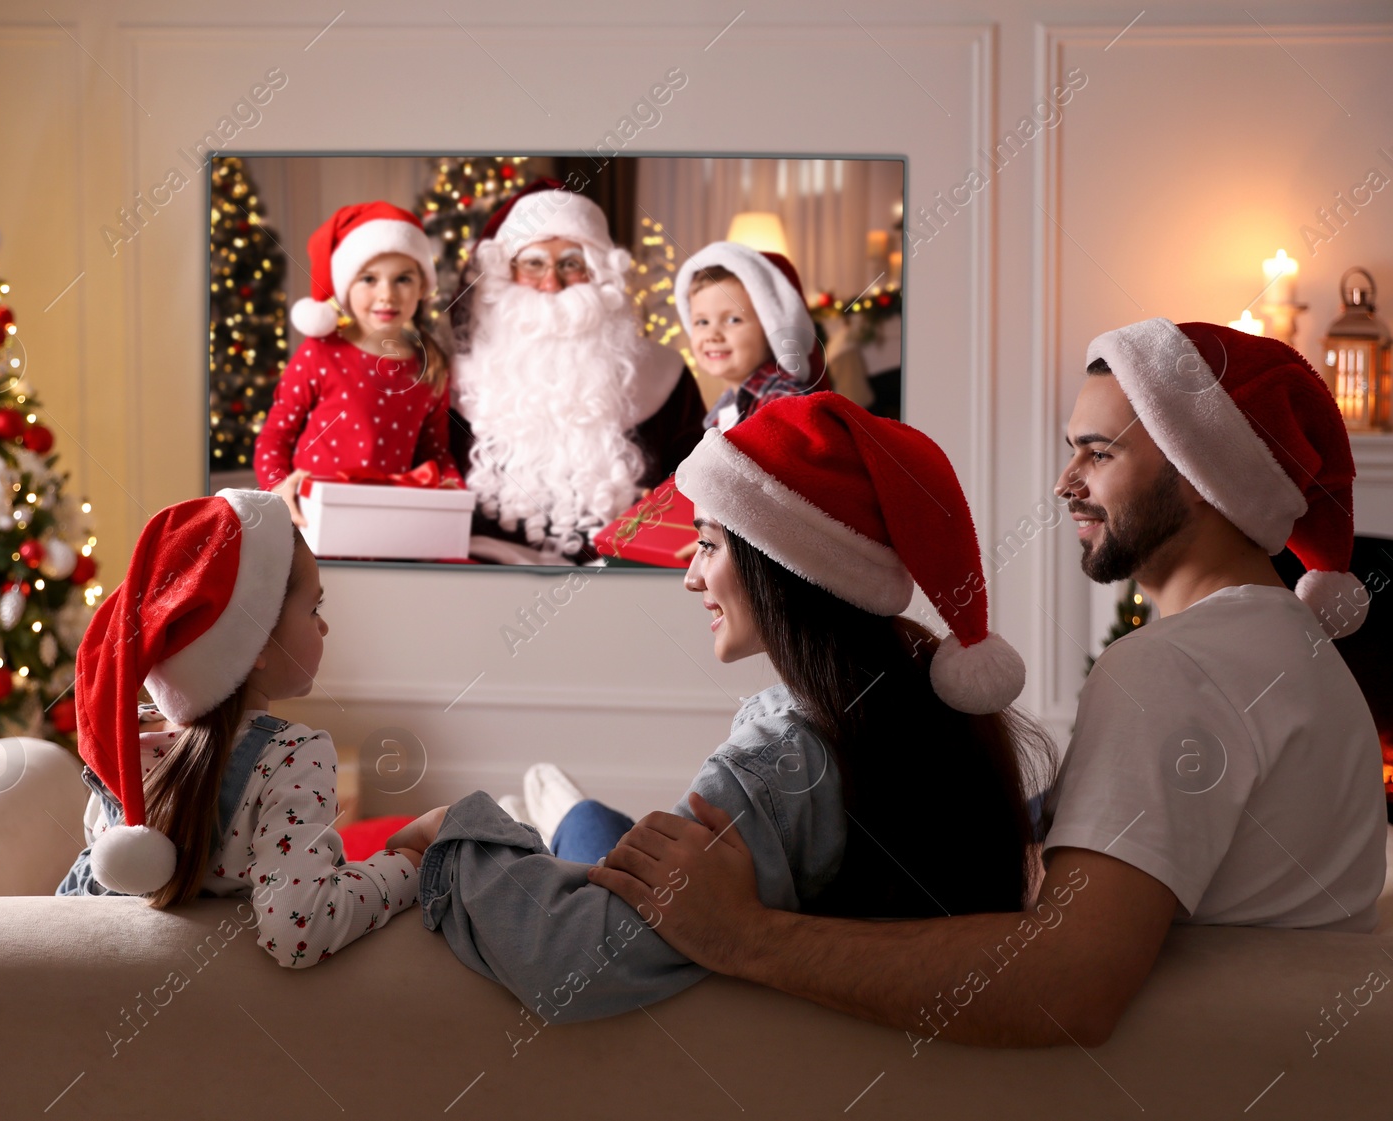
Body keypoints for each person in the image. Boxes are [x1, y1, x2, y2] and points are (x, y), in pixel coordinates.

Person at [588, 319, 1386, 1047]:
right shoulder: (1300, 650)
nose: (1066, 482)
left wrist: (742, 935)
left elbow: (1068, 981)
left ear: (1202, 470)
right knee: (592, 831)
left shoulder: (1173, 667)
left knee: (590, 836)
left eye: (1099, 452)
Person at [388, 391, 1051, 1023]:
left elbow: (570, 957)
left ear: (782, 565)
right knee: (602, 825)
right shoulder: (917, 689)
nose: (691, 574)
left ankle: (559, 816)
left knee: (589, 828)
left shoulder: (772, 767)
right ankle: (567, 812)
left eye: (708, 543)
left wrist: (458, 831)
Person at [55, 489, 420, 969]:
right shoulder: (295, 756)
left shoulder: (126, 741)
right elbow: (300, 928)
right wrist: (409, 865)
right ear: (256, 644)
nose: (324, 628)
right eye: (314, 609)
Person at [447, 178, 707, 564]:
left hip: (620, 577)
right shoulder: (457, 377)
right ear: (506, 272)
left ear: (600, 274)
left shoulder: (664, 374)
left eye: (571, 264)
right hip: (484, 573)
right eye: (533, 264)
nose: (551, 283)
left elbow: (698, 488)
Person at [255, 203, 462, 528]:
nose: (387, 295)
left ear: (422, 286)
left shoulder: (430, 366)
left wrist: (452, 486)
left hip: (391, 523)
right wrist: (279, 486)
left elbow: (434, 449)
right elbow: (275, 436)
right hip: (313, 520)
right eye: (369, 279)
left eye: (403, 279)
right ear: (345, 287)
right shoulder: (319, 354)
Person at [676, 240, 827, 433]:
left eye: (732, 320)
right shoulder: (724, 406)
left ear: (770, 327)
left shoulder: (784, 403)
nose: (712, 335)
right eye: (702, 322)